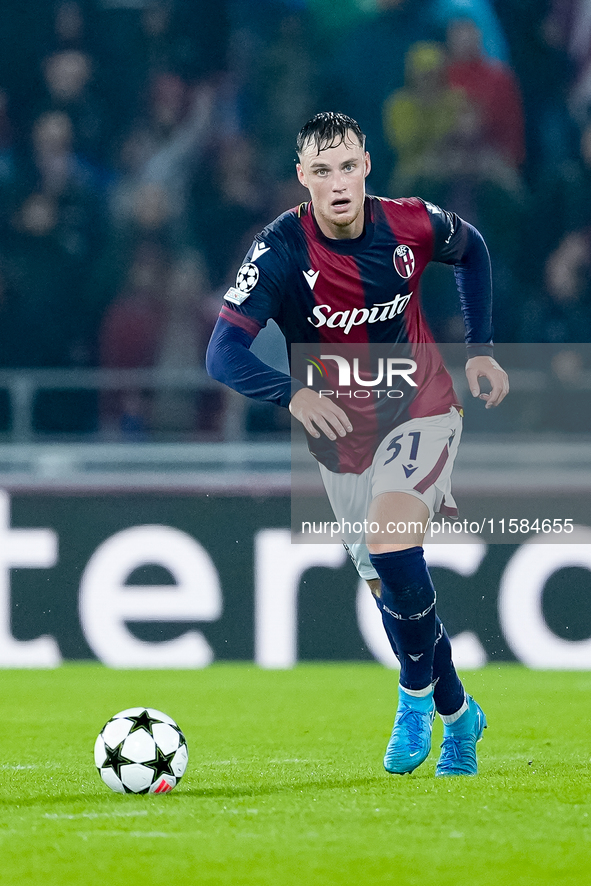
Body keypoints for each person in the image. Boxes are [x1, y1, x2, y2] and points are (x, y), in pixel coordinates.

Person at [206, 112, 509, 777]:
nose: (337, 182)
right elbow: (222, 354)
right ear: (302, 179)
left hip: (421, 409)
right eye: (321, 171)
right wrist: (292, 393)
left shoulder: (408, 222)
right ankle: (459, 717)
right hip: (342, 437)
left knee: (390, 540)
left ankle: (412, 700)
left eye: (346, 166)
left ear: (365, 165)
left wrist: (480, 351)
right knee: (391, 591)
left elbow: (474, 249)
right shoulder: (282, 247)